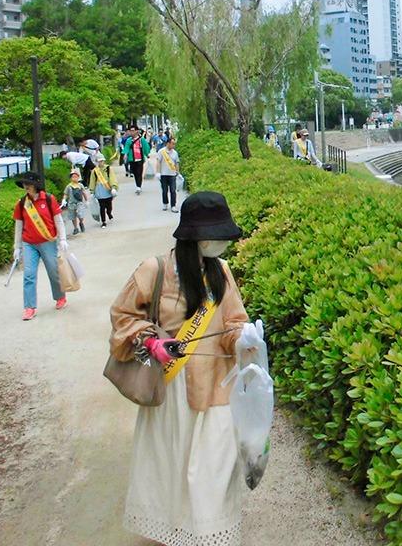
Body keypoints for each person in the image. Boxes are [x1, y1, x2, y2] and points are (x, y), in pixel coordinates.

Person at [109, 191, 249, 545]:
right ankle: (173, 530)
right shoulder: (154, 270)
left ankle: (207, 534)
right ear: (193, 238)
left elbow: (234, 321)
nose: (221, 244)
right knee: (170, 468)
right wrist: (152, 342)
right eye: (215, 236)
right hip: (172, 393)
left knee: (214, 470)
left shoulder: (222, 272)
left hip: (217, 389)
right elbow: (123, 317)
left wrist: (245, 340)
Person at [12, 171, 68, 321]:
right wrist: (17, 247)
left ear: (36, 185)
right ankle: (29, 307)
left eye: (28, 184)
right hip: (29, 243)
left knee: (53, 272)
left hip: (47, 241)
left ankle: (60, 296)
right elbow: (18, 226)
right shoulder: (21, 203)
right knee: (29, 275)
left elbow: (58, 220)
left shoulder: (49, 199)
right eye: (24, 185)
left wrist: (62, 238)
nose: (26, 187)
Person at [91, 155, 119, 227]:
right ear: (97, 162)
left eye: (102, 161)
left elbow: (112, 178)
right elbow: (92, 181)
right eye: (99, 161)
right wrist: (92, 191)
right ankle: (103, 221)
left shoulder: (108, 168)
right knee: (102, 206)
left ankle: (109, 213)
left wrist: (113, 187)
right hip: (99, 191)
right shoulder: (94, 171)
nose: (101, 162)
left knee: (109, 206)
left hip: (107, 190)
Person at [123, 126, 151, 195]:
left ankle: (139, 187)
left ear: (136, 131)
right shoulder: (129, 140)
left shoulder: (142, 140)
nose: (131, 132)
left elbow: (146, 147)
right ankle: (138, 185)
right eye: (130, 130)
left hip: (140, 159)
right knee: (134, 172)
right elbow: (126, 148)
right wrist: (125, 154)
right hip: (132, 159)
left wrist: (147, 154)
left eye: (133, 130)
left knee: (139, 172)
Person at [62, 168, 90, 235]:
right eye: (73, 177)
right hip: (71, 203)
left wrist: (86, 201)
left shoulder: (80, 185)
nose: (74, 178)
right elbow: (65, 194)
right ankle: (75, 228)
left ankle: (81, 222)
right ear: (70, 178)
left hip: (79, 203)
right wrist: (64, 200)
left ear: (78, 177)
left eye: (76, 176)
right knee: (73, 216)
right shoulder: (68, 186)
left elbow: (84, 193)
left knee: (80, 214)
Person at [157, 136, 181, 212]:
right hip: (164, 174)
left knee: (173, 190)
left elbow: (177, 163)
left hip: (172, 174)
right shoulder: (161, 151)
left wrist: (178, 172)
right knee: (164, 190)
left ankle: (173, 205)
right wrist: (158, 172)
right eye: (172, 144)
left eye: (174, 144)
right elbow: (158, 162)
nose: (173, 145)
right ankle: (165, 203)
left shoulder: (175, 153)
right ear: (168, 143)